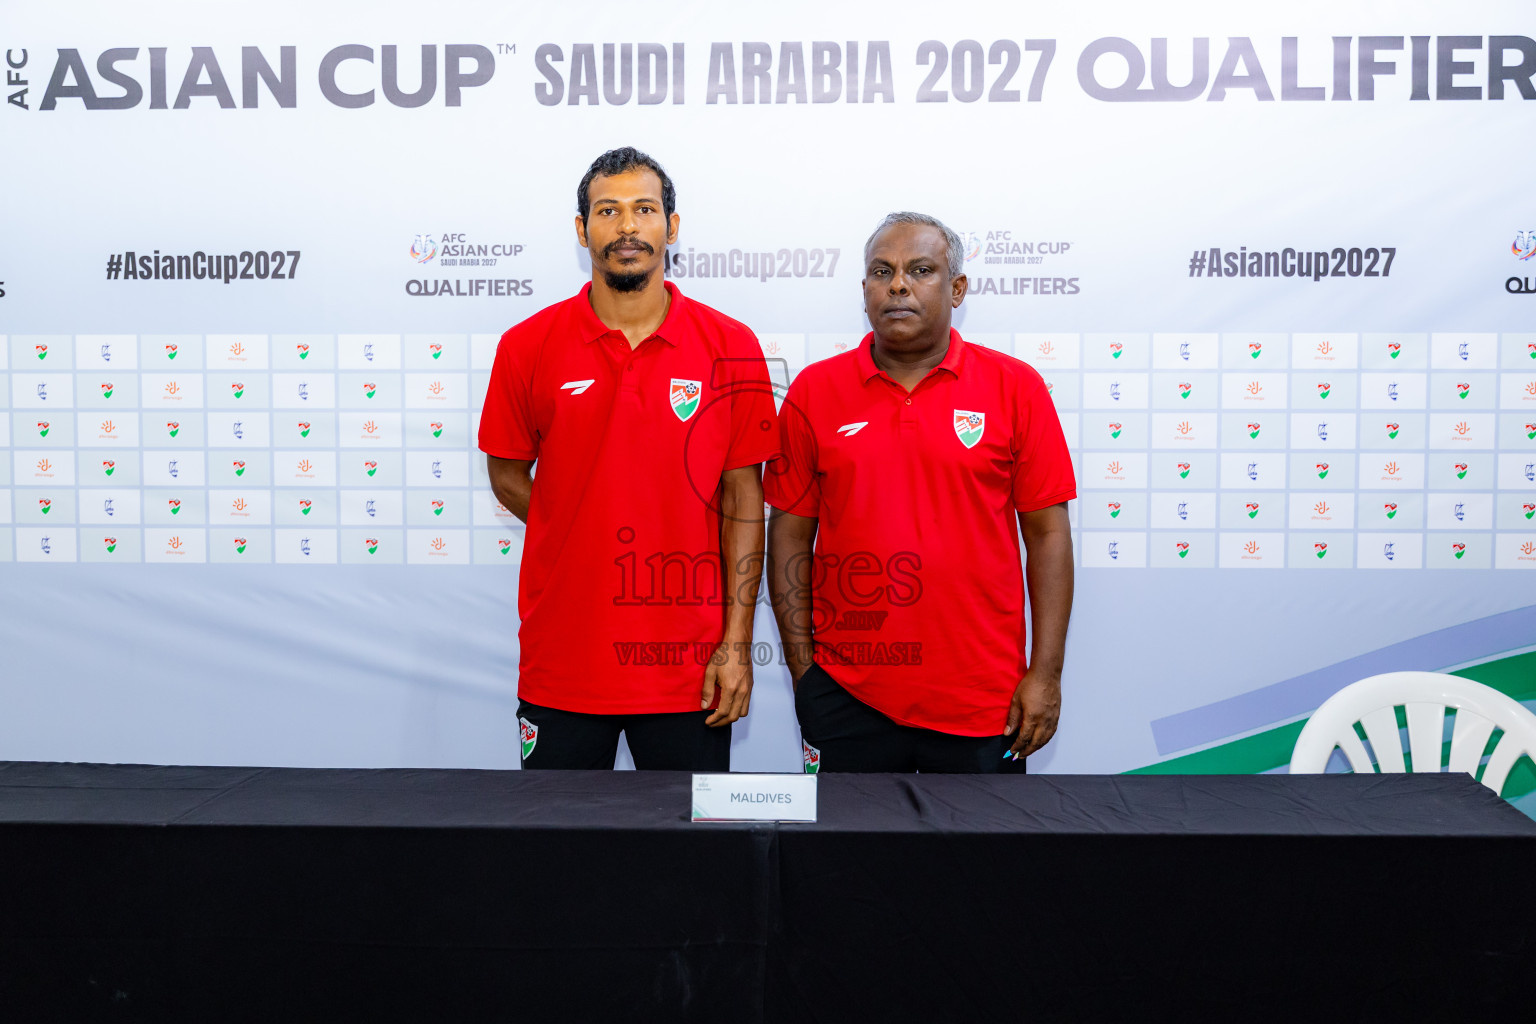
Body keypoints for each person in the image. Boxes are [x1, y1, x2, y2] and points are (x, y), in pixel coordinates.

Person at [479, 147, 779, 770]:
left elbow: (744, 499)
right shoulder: (526, 345)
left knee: (693, 862)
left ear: (671, 226)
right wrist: (574, 522)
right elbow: (507, 474)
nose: (626, 227)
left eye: (644, 209)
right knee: (561, 852)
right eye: (607, 211)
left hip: (689, 666)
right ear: (583, 230)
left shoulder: (732, 344)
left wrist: (736, 644)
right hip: (566, 660)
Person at [765, 211, 1075, 773]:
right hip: (846, 695)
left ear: (956, 288)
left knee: (978, 861)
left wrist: (1045, 674)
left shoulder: (1015, 388)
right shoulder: (815, 391)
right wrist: (803, 669)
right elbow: (788, 533)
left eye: (921, 270)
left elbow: (1049, 536)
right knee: (844, 861)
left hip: (985, 699)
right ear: (864, 292)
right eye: (882, 272)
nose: (898, 285)